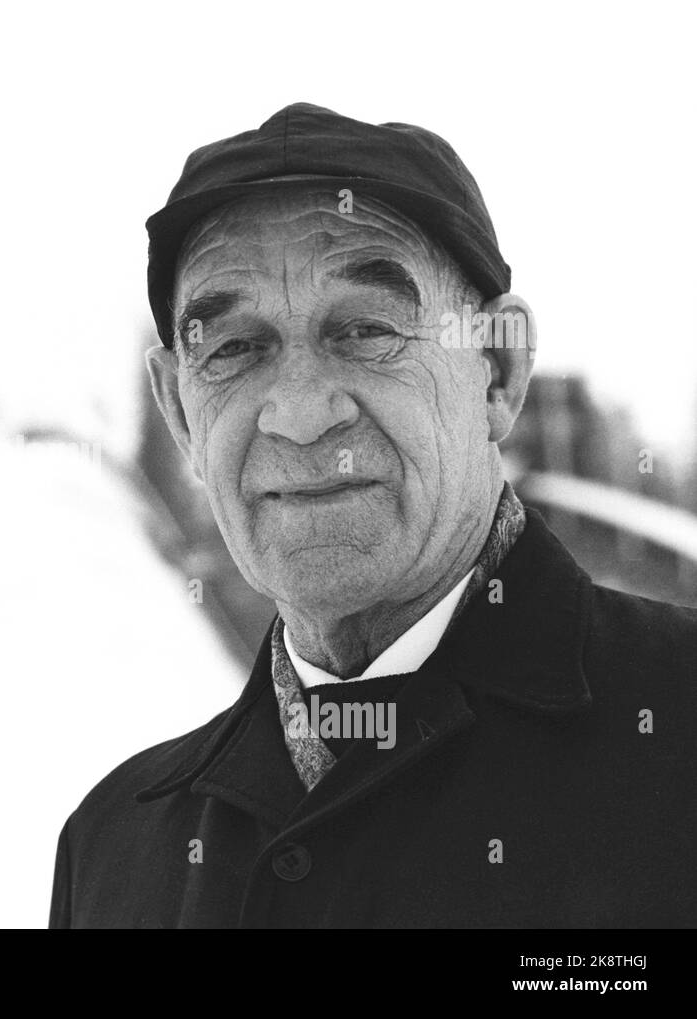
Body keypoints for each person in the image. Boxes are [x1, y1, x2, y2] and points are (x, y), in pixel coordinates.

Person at [49, 102, 697, 928]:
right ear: (180, 411)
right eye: (234, 349)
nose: (299, 414)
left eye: (364, 329)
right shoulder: (117, 847)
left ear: (495, 370)